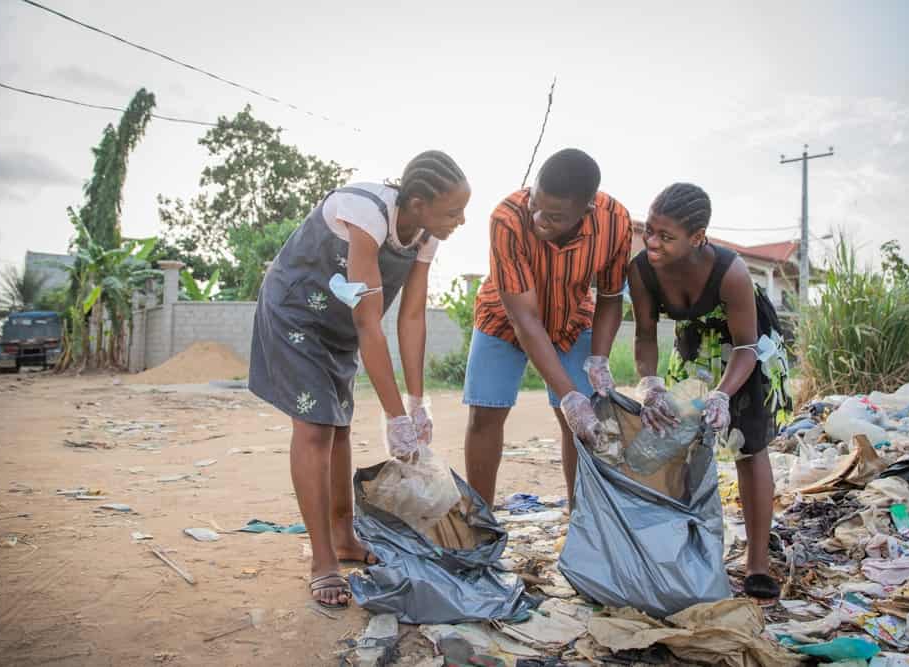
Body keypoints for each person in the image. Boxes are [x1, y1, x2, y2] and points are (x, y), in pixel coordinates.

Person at [248, 151, 471, 609]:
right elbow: (371, 323)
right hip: (297, 315)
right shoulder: (364, 212)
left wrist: (416, 402)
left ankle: (345, 537)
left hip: (340, 326)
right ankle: (323, 562)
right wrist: (393, 419)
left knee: (340, 427)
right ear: (416, 202)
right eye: (453, 211)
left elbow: (411, 318)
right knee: (314, 428)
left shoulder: (426, 235)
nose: (462, 220)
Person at [625, 182, 792, 604]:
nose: (653, 242)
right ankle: (689, 553)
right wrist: (650, 383)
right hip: (695, 347)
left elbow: (746, 345)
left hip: (747, 351)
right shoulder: (643, 270)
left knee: (748, 448)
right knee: (681, 442)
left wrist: (721, 396)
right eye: (650, 230)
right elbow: (645, 335)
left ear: (698, 237)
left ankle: (757, 563)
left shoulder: (730, 270)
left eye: (666, 236)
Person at [463, 148, 632, 508]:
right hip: (503, 319)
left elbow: (611, 296)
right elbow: (525, 319)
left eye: (554, 216)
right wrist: (569, 395)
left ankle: (581, 517)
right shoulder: (507, 218)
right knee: (484, 413)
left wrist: (598, 360)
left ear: (586, 210)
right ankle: (479, 521)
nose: (539, 219)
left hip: (573, 318)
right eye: (535, 205)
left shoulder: (616, 222)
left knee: (583, 424)